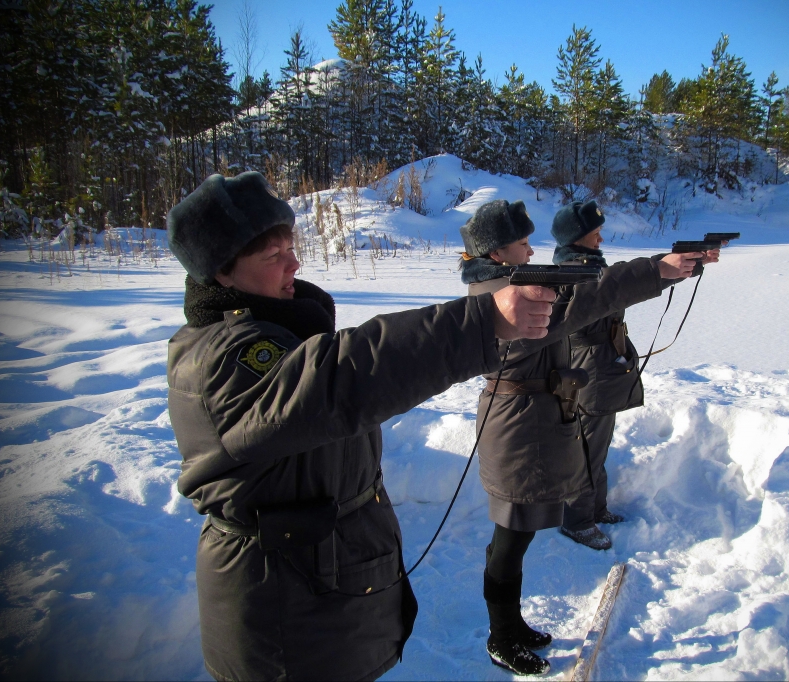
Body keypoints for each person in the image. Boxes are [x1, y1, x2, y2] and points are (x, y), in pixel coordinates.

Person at [165, 171, 556, 682]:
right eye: (271, 256)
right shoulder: (225, 357)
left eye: (291, 246)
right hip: (284, 613)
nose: (295, 263)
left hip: (317, 593)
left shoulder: (275, 331)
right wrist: (478, 325)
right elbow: (342, 376)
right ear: (220, 273)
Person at [458, 199, 701, 676]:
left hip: (525, 419)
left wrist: (661, 271)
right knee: (510, 539)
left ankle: (511, 624)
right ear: (498, 253)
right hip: (517, 427)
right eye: (523, 245)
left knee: (516, 536)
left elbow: (592, 290)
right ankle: (502, 636)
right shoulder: (508, 294)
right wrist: (658, 270)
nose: (532, 252)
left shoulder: (503, 284)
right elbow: (593, 296)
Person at [553, 201, 723, 550]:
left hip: (599, 369)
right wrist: (661, 269)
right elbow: (618, 284)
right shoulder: (574, 273)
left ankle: (595, 510)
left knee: (595, 448)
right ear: (577, 239)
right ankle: (577, 521)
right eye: (594, 234)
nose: (600, 240)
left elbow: (620, 282)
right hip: (589, 373)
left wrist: (683, 263)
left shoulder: (588, 270)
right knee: (586, 451)